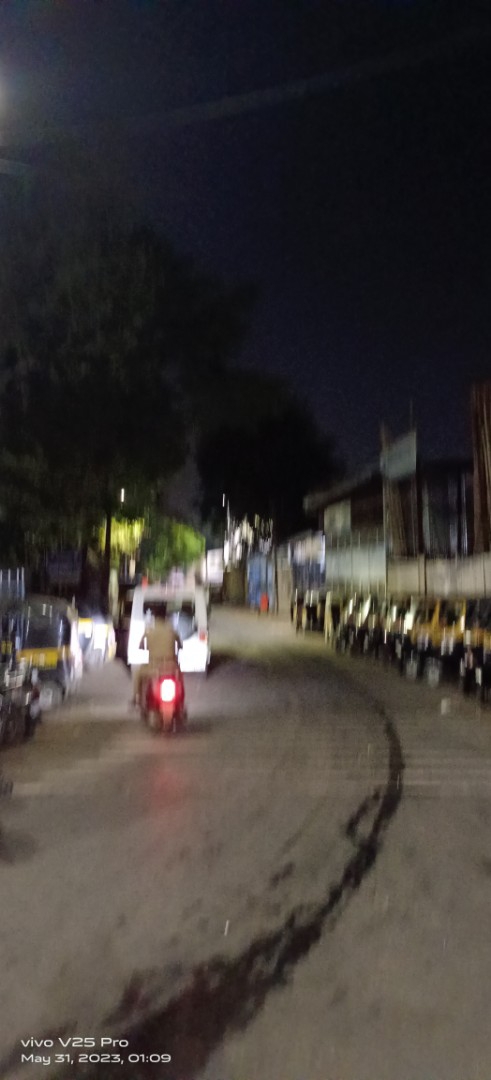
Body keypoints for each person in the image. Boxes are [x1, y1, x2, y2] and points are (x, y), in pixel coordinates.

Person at [132, 607, 184, 707]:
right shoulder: (172, 631)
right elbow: (180, 646)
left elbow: (140, 646)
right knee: (180, 678)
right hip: (171, 666)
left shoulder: (149, 631)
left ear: (154, 618)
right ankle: (181, 702)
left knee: (137, 674)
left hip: (153, 666)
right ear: (166, 617)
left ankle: (137, 698)